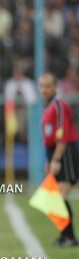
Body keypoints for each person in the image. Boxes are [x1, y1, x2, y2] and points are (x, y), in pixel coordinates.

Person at [39, 72, 79, 247]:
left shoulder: (59, 105)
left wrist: (56, 160)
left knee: (61, 194)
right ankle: (65, 235)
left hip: (64, 153)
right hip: (53, 153)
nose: (44, 89)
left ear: (55, 87)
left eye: (48, 86)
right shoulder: (48, 107)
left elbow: (61, 136)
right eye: (42, 86)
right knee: (54, 197)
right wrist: (48, 160)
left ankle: (69, 237)